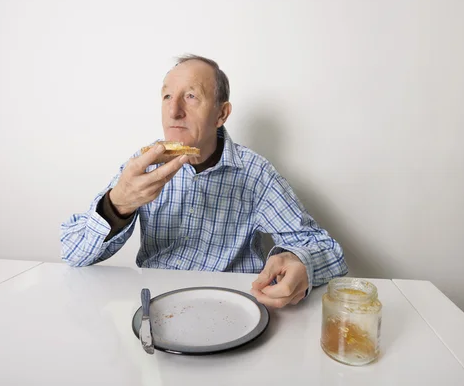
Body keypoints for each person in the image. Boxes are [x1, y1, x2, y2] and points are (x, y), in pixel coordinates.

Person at [60, 54, 348, 308]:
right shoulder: (141, 165)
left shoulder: (255, 174)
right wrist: (117, 204)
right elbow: (71, 252)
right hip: (155, 306)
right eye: (167, 97)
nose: (174, 112)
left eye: (191, 96)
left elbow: (329, 252)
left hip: (234, 306)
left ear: (221, 114)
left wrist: (301, 264)